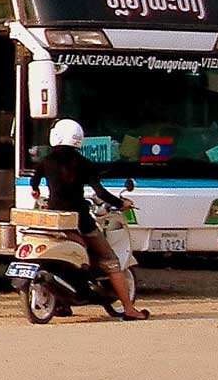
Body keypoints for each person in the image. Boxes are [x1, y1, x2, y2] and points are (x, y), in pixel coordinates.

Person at [36, 118, 149, 320]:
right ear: (79, 140)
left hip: (55, 218)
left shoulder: (46, 161)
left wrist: (37, 193)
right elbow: (101, 193)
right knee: (111, 261)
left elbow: (34, 181)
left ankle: (63, 304)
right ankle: (129, 309)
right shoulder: (84, 164)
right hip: (81, 220)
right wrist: (122, 203)